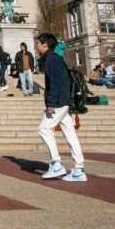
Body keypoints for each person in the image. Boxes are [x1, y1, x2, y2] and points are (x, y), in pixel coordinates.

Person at [35, 32, 86, 182]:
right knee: (70, 133)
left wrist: (51, 102)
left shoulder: (52, 59)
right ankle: (79, 168)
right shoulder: (55, 58)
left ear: (45, 44)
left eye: (38, 43)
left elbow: (57, 83)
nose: (37, 45)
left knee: (44, 128)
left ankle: (56, 163)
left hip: (59, 102)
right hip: (64, 101)